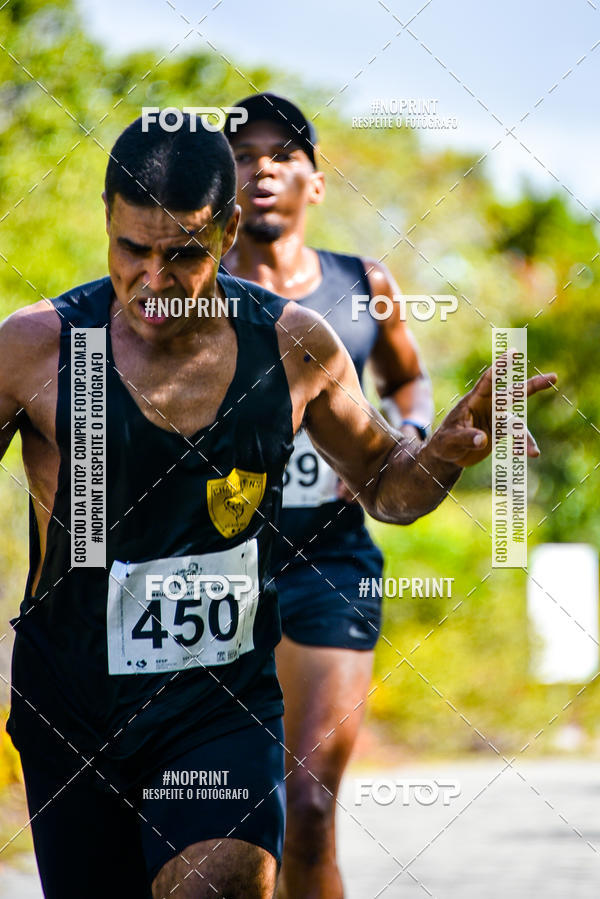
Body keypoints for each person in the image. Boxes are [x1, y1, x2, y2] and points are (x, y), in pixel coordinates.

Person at [0, 112, 555, 899]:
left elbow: (387, 486)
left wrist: (439, 451)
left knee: (220, 884)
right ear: (107, 221)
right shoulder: (42, 346)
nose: (154, 281)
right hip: (74, 700)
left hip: (217, 701)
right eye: (134, 250)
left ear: (227, 232)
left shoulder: (294, 346)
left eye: (184, 253)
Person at [223, 93, 434, 898]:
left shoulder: (361, 282)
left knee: (308, 803)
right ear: (222, 182)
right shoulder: (196, 294)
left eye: (283, 157)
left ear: (315, 182)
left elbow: (407, 380)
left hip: (330, 559)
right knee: (241, 818)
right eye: (243, 158)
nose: (262, 172)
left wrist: (405, 434)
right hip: (216, 567)